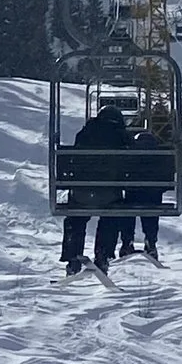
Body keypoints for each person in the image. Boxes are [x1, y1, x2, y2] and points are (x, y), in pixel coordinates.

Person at [59, 97, 131, 269]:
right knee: (111, 216)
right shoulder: (121, 137)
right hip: (109, 194)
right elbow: (128, 166)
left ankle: (73, 257)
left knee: (75, 217)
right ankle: (103, 254)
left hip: (81, 193)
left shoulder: (84, 134)